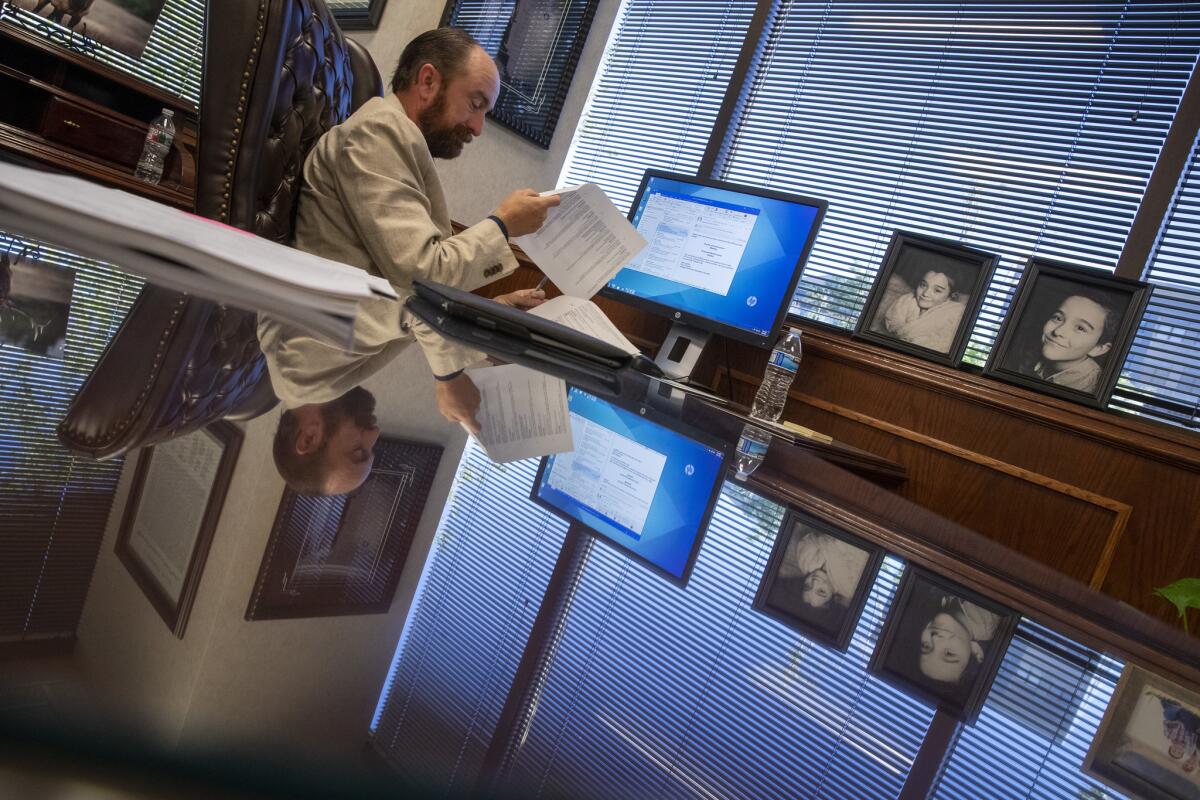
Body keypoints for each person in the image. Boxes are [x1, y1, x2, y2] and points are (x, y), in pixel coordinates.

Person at [258, 28, 560, 495]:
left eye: (359, 450)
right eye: (475, 104)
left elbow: (415, 286)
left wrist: (503, 225)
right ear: (426, 82)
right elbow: (410, 295)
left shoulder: (297, 371)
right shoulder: (381, 136)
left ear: (309, 437)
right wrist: (483, 319)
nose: (478, 127)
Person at [1024, 289, 1120, 394]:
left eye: (1080, 328)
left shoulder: (1092, 390)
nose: (1058, 331)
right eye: (1058, 318)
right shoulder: (1029, 357)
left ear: (1098, 349)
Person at [772, 528, 869, 627]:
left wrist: (830, 547)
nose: (814, 582)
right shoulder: (850, 588)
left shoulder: (805, 564)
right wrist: (827, 546)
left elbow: (810, 538)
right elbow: (860, 550)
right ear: (833, 598)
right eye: (821, 591)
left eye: (807, 586)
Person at [916, 594, 999, 687]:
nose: (935, 638)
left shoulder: (941, 601)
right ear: (975, 651)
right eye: (948, 653)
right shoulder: (988, 617)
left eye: (926, 646)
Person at [880, 267, 969, 353]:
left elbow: (944, 345)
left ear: (952, 295)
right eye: (923, 285)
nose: (925, 293)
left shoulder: (956, 313)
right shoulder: (906, 300)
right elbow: (892, 324)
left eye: (937, 290)